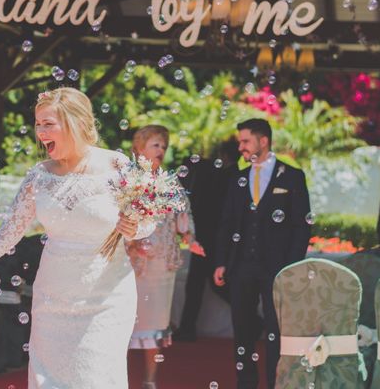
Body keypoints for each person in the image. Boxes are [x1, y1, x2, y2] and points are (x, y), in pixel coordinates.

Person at [0, 87, 155, 389]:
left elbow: (148, 220)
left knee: (95, 379)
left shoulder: (117, 166)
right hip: (52, 299)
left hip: (106, 297)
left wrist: (135, 227)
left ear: (75, 123)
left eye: (48, 124)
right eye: (38, 123)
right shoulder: (38, 176)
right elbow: (7, 235)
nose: (40, 132)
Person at [213, 118, 311, 389]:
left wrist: (290, 267)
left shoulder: (292, 177)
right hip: (242, 266)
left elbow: (301, 226)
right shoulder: (238, 179)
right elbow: (227, 223)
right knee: (242, 330)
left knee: (275, 332)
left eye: (245, 141)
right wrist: (221, 261)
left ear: (263, 141)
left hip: (277, 268)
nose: (240, 147)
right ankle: (245, 384)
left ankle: (274, 384)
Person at [124, 125, 203, 389]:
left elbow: (184, 217)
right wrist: (132, 245)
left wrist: (188, 235)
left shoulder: (171, 182)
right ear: (139, 148)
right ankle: (117, 380)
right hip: (133, 266)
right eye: (155, 144)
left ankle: (149, 382)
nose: (161, 150)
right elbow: (116, 220)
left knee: (155, 327)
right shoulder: (127, 180)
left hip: (162, 266)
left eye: (164, 146)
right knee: (122, 324)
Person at [174, 138, 240, 342]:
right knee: (203, 284)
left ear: (224, 155)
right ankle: (186, 327)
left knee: (207, 284)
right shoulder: (230, 175)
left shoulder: (223, 175)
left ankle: (187, 328)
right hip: (210, 238)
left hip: (211, 239)